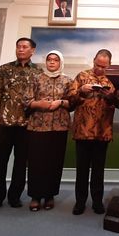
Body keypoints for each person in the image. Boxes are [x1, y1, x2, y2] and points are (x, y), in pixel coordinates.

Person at [0, 37, 42, 211]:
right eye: (18, 47)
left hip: (26, 125)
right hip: (4, 123)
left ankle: (15, 196)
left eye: (25, 47)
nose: (21, 50)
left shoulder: (38, 72)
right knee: (0, 162)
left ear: (32, 50)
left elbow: (39, 99)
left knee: (20, 164)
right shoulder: (4, 70)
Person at [67, 49, 119, 215]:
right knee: (81, 170)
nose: (100, 69)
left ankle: (97, 202)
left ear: (109, 65)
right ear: (93, 60)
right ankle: (80, 202)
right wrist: (81, 90)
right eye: (98, 65)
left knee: (98, 170)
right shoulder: (82, 76)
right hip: (82, 130)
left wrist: (110, 96)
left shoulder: (113, 80)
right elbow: (70, 100)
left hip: (102, 131)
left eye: (104, 66)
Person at [24, 50, 72, 211]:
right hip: (38, 126)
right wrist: (39, 104)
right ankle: (35, 196)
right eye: (49, 60)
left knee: (54, 162)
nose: (52, 62)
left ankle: (50, 195)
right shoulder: (36, 78)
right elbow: (26, 100)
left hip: (59, 126)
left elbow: (73, 102)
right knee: (37, 162)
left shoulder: (67, 81)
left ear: (60, 63)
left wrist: (61, 102)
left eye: (55, 60)